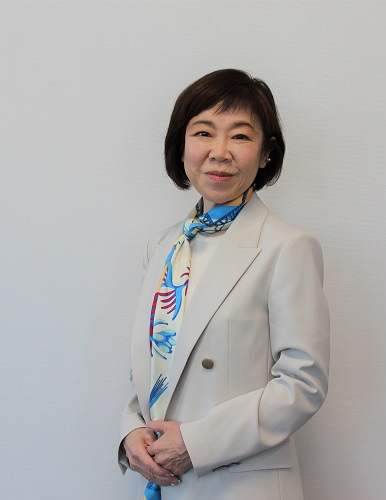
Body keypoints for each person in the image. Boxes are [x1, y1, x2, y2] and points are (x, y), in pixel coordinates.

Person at [117, 69, 330, 500]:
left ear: (266, 153)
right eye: (203, 132)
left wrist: (195, 444)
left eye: (240, 136)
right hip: (163, 481)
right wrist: (130, 432)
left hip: (240, 484)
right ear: (181, 146)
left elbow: (303, 383)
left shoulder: (287, 246)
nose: (219, 152)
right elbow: (154, 364)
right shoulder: (161, 247)